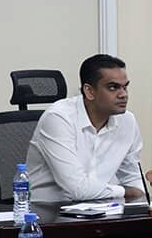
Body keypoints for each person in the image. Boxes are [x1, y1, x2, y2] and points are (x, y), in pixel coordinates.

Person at [26, 54, 145, 202]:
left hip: (102, 207)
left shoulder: (127, 121)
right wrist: (125, 191)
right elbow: (78, 189)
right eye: (113, 87)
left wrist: (140, 197)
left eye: (125, 86)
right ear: (89, 91)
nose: (123, 94)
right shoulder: (58, 118)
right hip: (49, 210)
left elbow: (133, 178)